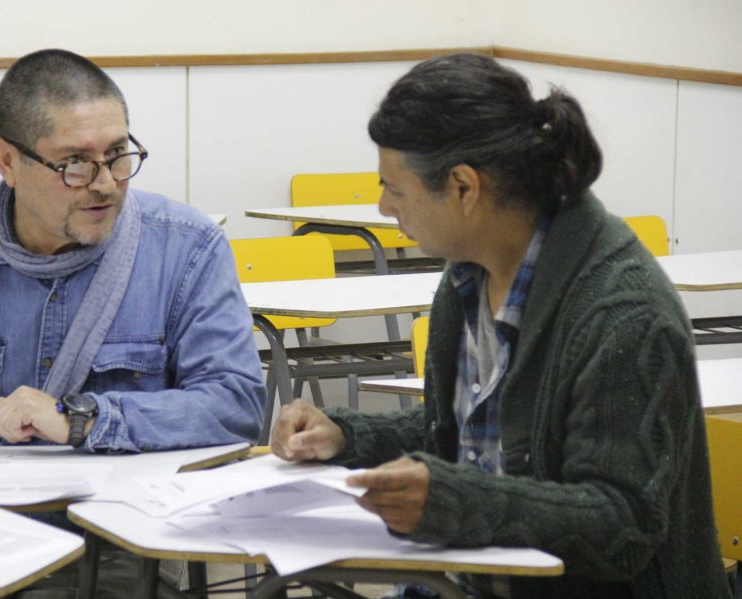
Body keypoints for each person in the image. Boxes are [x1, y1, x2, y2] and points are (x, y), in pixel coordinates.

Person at [272, 54, 731, 599]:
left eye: (395, 189)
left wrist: (456, 501)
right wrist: (348, 434)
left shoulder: (621, 313)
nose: (383, 206)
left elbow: (621, 526)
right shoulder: (467, 279)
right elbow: (476, 438)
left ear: (464, 188)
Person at [0, 48, 265, 454]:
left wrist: (85, 420)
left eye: (117, 154)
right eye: (75, 163)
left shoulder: (187, 248)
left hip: (125, 513)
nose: (104, 183)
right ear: (8, 161)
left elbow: (233, 406)